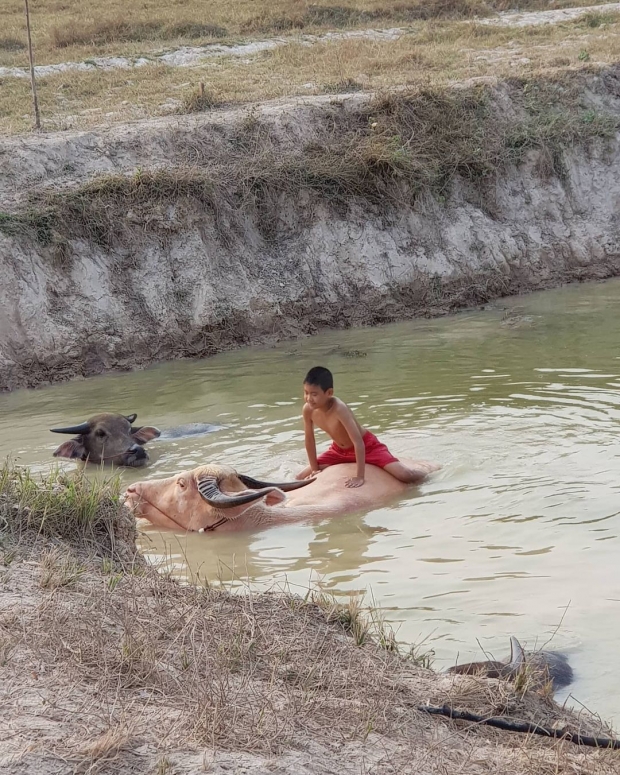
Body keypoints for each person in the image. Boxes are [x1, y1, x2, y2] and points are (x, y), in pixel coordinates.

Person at [296, 366, 429, 488]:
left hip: (367, 446)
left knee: (404, 475)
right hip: (338, 451)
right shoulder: (308, 410)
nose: (308, 398)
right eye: (306, 392)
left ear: (329, 393)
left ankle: (427, 472)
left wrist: (359, 476)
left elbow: (358, 441)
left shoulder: (339, 409)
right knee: (300, 477)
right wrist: (315, 469)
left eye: (314, 394)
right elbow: (309, 440)